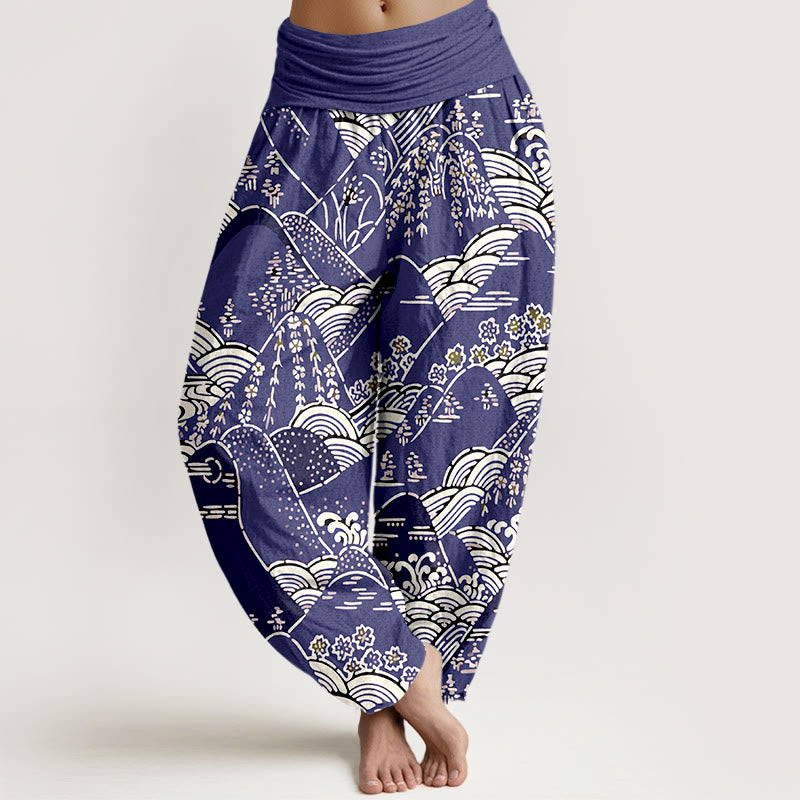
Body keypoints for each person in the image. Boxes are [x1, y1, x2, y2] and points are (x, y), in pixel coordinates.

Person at [176, 0, 556, 792]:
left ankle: (387, 699)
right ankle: (396, 670)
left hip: (467, 100)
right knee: (227, 415)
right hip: (315, 109)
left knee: (448, 434)